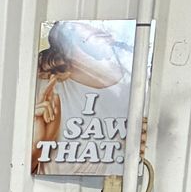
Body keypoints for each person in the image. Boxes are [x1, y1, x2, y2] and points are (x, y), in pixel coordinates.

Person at [31, 20, 130, 170]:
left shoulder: (136, 84)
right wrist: (38, 142)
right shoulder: (44, 87)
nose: (99, 26)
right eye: (88, 23)